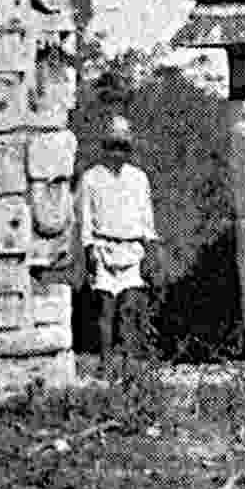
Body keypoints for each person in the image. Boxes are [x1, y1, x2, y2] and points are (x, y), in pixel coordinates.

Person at [75, 114, 159, 366]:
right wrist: (89, 249)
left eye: (122, 147)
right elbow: (85, 217)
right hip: (103, 246)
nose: (117, 153)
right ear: (105, 148)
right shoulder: (91, 178)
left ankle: (128, 360)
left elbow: (146, 217)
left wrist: (149, 250)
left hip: (132, 247)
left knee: (129, 307)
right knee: (106, 309)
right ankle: (106, 360)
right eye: (113, 147)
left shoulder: (138, 178)